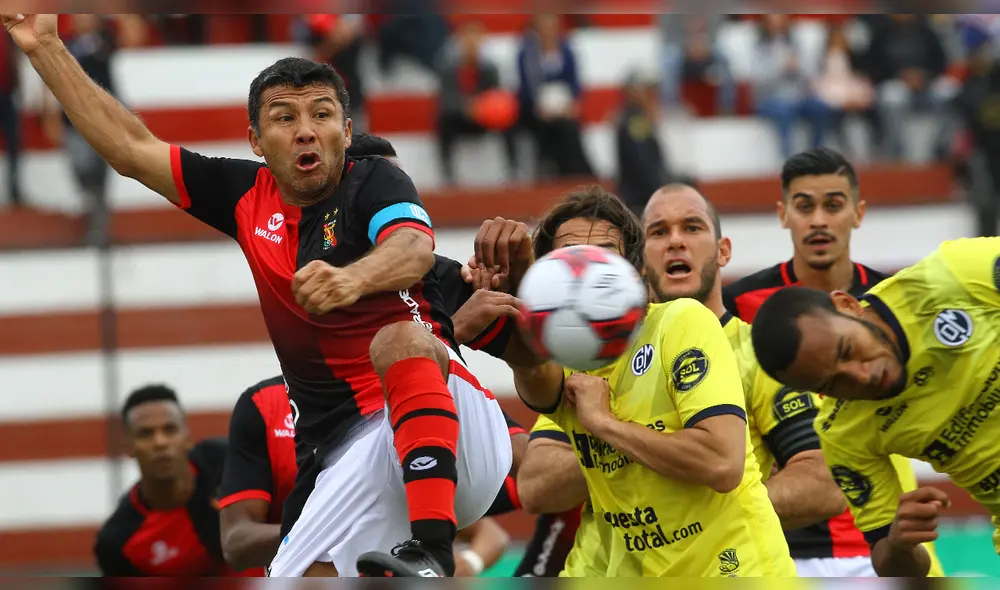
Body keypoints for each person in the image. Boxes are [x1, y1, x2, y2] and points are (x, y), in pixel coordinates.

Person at [3, 13, 511, 578]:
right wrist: (44, 44)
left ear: (346, 129)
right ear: (255, 140)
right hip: (354, 458)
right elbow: (129, 148)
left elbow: (414, 248)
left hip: (453, 430)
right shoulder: (245, 195)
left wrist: (353, 279)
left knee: (399, 339)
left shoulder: (374, 181)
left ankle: (436, 552)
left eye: (322, 114)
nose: (306, 130)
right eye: (285, 117)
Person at [472, 185, 795, 576]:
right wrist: (514, 295)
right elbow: (529, 373)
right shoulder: (568, 360)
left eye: (604, 257)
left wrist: (605, 424)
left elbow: (722, 463)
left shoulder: (682, 322)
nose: (586, 273)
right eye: (569, 260)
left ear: (636, 271)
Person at [721, 147, 944, 577]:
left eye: (833, 205)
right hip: (780, 540)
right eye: (804, 206)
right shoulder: (741, 307)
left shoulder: (895, 302)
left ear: (858, 213)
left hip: (882, 531)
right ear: (783, 214)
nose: (819, 219)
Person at [749, 237, 1000, 577]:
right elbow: (892, 565)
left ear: (847, 305)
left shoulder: (950, 277)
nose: (862, 376)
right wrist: (900, 542)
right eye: (833, 385)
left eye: (847, 350)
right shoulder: (843, 433)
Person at [644, 184, 847, 528]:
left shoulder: (757, 353)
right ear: (640, 257)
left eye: (692, 228)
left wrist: (711, 520)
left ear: (723, 252)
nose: (675, 241)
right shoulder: (613, 358)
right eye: (659, 232)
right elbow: (536, 487)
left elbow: (825, 483)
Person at [94, 385, 251, 576]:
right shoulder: (117, 540)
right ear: (128, 446)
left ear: (187, 436)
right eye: (145, 434)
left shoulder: (235, 463)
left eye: (170, 430)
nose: (160, 442)